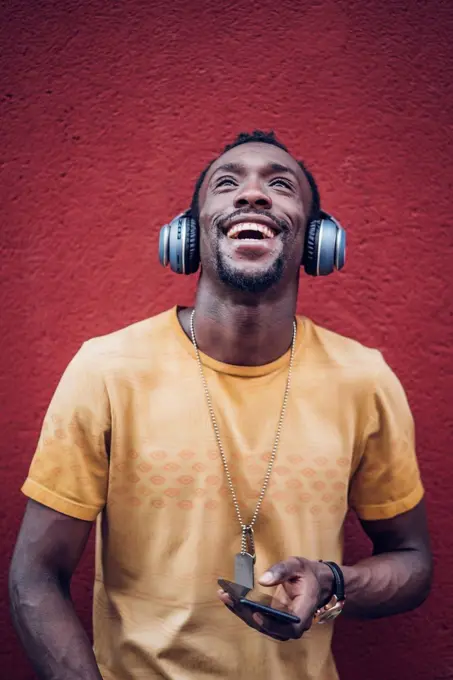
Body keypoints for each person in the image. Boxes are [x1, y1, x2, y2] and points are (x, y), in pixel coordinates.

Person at [9, 130, 432, 680]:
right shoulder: (106, 370)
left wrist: (334, 581)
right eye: (227, 184)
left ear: (317, 243)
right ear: (186, 236)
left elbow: (412, 560)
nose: (253, 195)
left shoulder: (364, 378)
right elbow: (34, 576)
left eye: (280, 186)